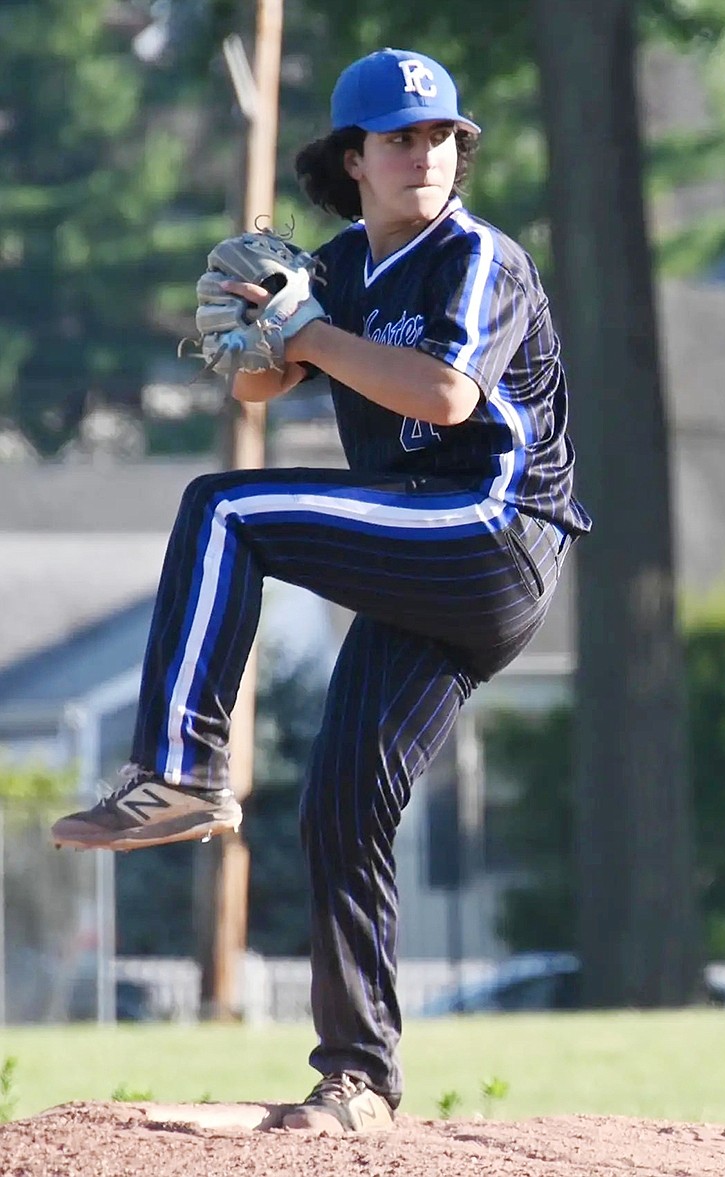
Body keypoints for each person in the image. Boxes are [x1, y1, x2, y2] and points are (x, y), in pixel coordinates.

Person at [52, 47, 591, 1133]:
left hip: (492, 532)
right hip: (419, 557)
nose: (425, 154)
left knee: (224, 510)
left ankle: (179, 771)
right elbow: (262, 380)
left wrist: (305, 331)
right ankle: (357, 1080)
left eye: (442, 135)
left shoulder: (479, 258)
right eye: (399, 137)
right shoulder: (340, 268)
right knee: (344, 801)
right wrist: (255, 326)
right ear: (350, 159)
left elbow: (443, 396)